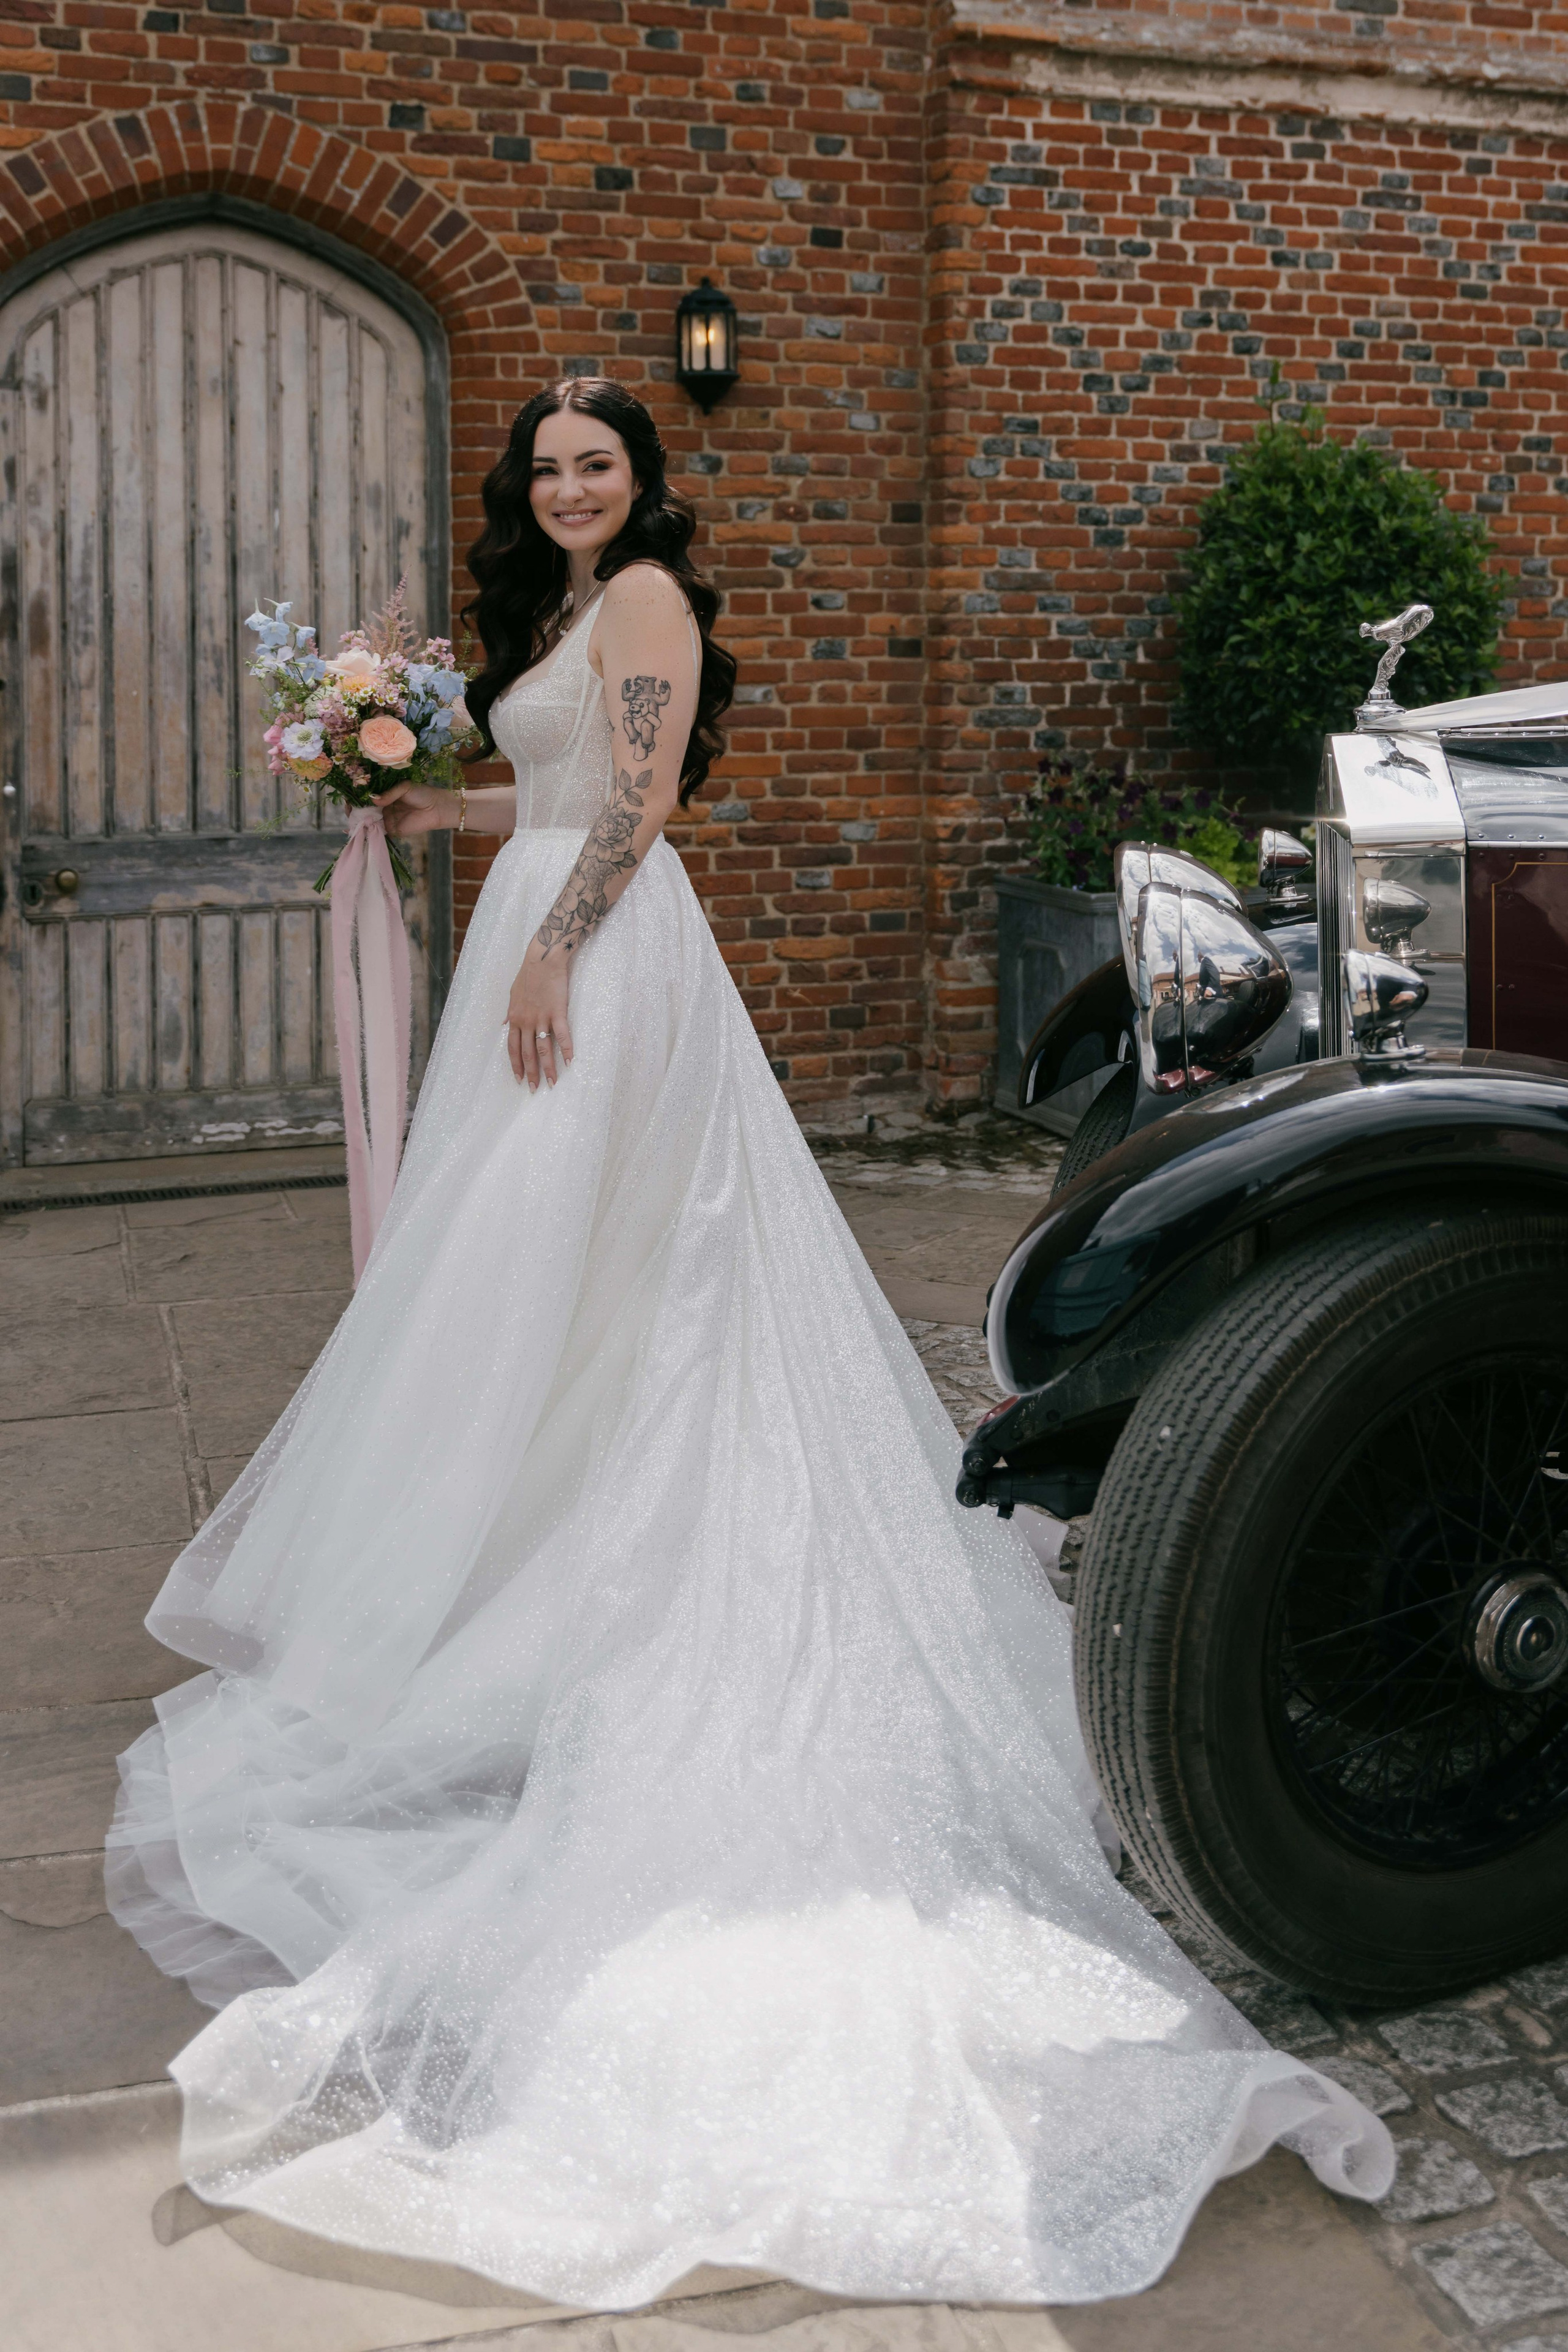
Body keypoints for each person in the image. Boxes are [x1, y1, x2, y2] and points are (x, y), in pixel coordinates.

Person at [106, 379, 1392, 2313]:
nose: (565, 488)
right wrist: (397, 803)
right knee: (534, 1299)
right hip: (551, 939)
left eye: (595, 464)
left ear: (641, 479)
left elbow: (633, 805)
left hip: (605, 971)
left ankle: (604, 1569)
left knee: (610, 1288)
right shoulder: (562, 613)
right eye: (543, 469)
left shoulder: (646, 610)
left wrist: (549, 942)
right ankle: (514, 1553)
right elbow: (543, 797)